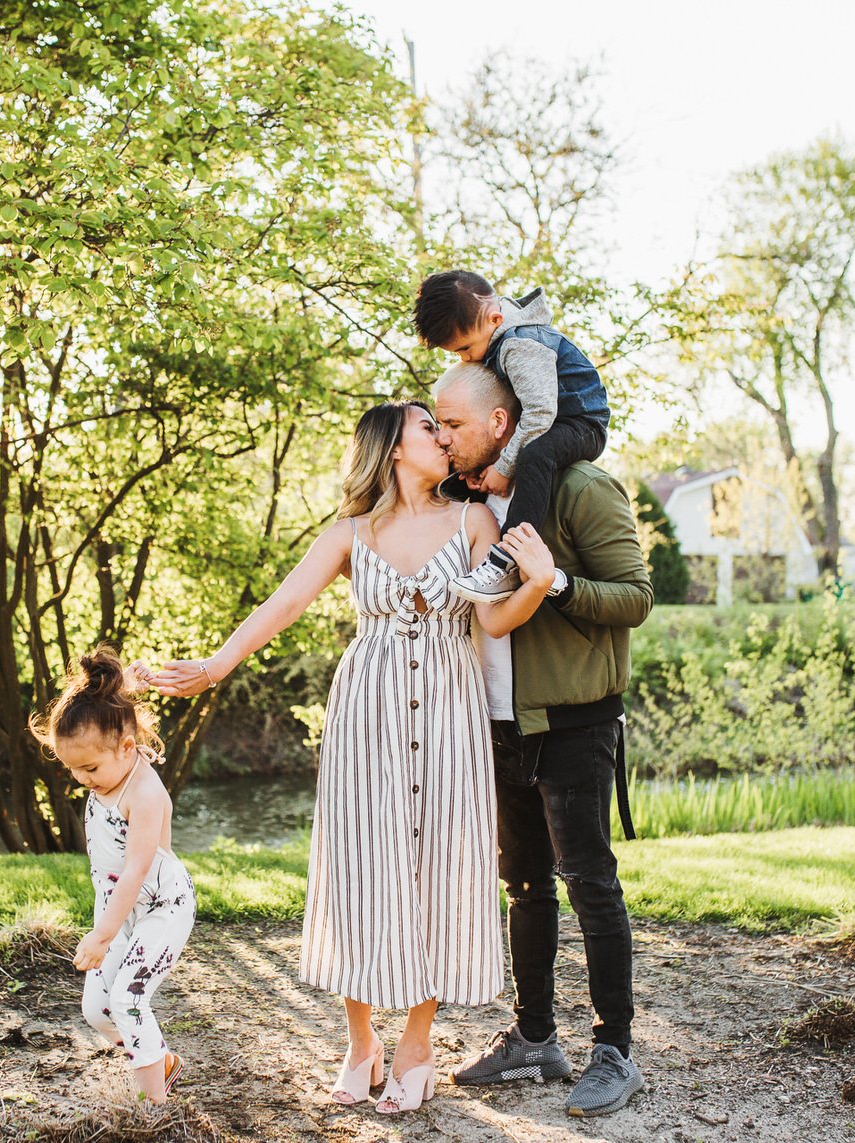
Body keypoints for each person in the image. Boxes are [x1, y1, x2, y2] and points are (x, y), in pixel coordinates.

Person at [150, 400, 555, 1114]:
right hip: (366, 713)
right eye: (429, 427)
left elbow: (493, 619)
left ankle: (417, 1044)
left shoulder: (473, 522)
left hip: (449, 711)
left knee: (439, 865)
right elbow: (282, 605)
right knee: (360, 867)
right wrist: (214, 667)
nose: (444, 437)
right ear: (392, 448)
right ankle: (361, 1043)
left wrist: (537, 583)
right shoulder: (349, 533)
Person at [431, 361, 654, 1119]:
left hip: (573, 721)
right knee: (523, 885)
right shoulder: (464, 501)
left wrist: (554, 581)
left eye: (453, 424)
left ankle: (614, 1052)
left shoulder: (582, 487)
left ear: (501, 423)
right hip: (496, 723)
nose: (442, 437)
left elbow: (636, 597)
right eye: (436, 425)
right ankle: (534, 1039)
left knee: (589, 882)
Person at [29, 648, 196, 1105]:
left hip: (162, 906)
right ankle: (160, 1061)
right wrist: (127, 683)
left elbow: (136, 870)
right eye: (72, 769)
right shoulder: (109, 765)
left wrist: (101, 936)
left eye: (89, 768)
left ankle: (154, 1108)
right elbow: (108, 700)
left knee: (128, 999)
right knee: (98, 1011)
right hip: (117, 908)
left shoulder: (144, 793)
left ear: (126, 748)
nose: (82, 778)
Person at [413, 270, 610, 606]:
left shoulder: (519, 345)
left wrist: (504, 469)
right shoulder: (496, 332)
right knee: (476, 457)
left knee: (535, 454)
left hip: (581, 423)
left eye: (465, 348)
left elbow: (540, 414)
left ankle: (504, 561)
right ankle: (452, 509)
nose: (465, 358)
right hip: (549, 422)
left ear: (495, 318)